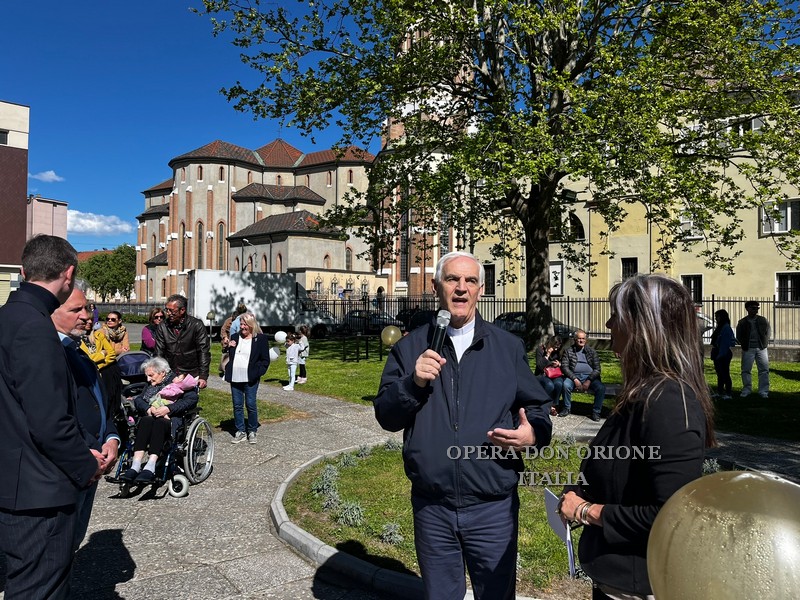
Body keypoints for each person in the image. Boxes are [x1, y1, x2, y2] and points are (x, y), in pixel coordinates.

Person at [374, 251, 552, 600]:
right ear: (436, 287)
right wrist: (413, 383)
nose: (461, 288)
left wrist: (533, 434)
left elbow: (538, 407)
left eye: (470, 281)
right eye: (452, 279)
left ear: (480, 290)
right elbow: (386, 415)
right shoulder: (411, 348)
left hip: (493, 508)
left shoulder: (506, 347)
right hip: (433, 508)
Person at [558, 274, 715, 600]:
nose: (608, 322)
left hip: (640, 586)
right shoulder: (642, 394)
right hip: (615, 583)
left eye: (616, 315)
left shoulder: (669, 401)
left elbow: (669, 514)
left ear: (642, 326)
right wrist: (587, 490)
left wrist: (587, 510)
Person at [0, 235, 104, 600]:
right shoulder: (35, 326)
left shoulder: (7, 318)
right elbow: (48, 420)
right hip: (37, 493)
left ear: (25, 271)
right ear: (69, 275)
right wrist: (85, 464)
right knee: (38, 590)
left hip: (14, 482)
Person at [52, 285, 121, 550]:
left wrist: (112, 437)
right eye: (76, 309)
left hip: (95, 462)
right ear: (51, 312)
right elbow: (52, 416)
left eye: (88, 307)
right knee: (55, 552)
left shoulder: (77, 349)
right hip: (72, 465)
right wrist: (84, 451)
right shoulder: (49, 354)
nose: (86, 315)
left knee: (72, 545)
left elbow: (99, 403)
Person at [119, 356, 199, 483]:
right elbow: (139, 399)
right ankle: (135, 465)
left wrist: (168, 409)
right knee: (145, 420)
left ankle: (150, 466)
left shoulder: (179, 382)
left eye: (151, 375)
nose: (148, 379)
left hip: (171, 419)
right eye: (147, 376)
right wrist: (148, 408)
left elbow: (191, 399)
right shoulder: (151, 385)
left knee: (160, 423)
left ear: (162, 373)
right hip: (151, 417)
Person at [224, 313, 270, 444]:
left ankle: (252, 430)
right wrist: (228, 346)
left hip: (250, 377)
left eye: (245, 325)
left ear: (251, 325)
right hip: (235, 376)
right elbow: (228, 354)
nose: (243, 327)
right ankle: (240, 431)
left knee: (250, 404)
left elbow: (265, 360)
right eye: (241, 325)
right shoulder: (234, 337)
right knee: (237, 405)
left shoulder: (260, 339)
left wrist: (258, 372)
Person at [155, 294, 211, 389]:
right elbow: (159, 352)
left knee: (189, 400)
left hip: (191, 373)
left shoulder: (196, 325)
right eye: (167, 310)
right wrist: (158, 372)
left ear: (182, 310)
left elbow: (203, 351)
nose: (168, 313)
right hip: (170, 372)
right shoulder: (163, 326)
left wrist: (203, 376)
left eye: (172, 310)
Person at [559, 329, 606, 421]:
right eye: (579, 339)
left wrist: (589, 380)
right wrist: (575, 379)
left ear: (586, 340)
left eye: (583, 338)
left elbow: (597, 369)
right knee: (565, 385)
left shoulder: (592, 351)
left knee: (601, 388)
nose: (581, 340)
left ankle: (596, 412)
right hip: (573, 376)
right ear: (575, 339)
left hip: (590, 377)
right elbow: (564, 367)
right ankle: (567, 408)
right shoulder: (568, 351)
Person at [735, 300, 770, 398]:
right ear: (747, 309)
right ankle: (747, 389)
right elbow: (738, 335)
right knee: (746, 370)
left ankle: (763, 391)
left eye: (757, 308)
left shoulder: (763, 320)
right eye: (753, 308)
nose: (756, 310)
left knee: (764, 369)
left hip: (761, 348)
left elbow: (768, 331)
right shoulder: (742, 322)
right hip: (748, 348)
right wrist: (743, 343)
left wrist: (765, 342)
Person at [710, 309, 736, 400]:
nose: (716, 319)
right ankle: (720, 391)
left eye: (717, 316)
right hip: (718, 351)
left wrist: (721, 354)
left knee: (725, 373)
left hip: (723, 353)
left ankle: (728, 393)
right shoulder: (720, 327)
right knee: (720, 374)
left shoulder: (725, 328)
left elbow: (725, 343)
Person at [220, 303, 248, 375]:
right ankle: (225, 370)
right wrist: (225, 337)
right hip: (229, 340)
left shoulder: (246, 320)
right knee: (226, 356)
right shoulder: (229, 321)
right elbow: (223, 330)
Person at [534, 335, 564, 404]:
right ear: (551, 344)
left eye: (558, 347)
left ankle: (554, 405)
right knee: (549, 385)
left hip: (554, 374)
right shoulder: (540, 350)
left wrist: (559, 364)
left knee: (559, 384)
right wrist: (547, 355)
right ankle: (544, 404)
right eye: (555, 347)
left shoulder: (557, 352)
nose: (556, 349)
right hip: (542, 374)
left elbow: (563, 363)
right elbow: (539, 367)